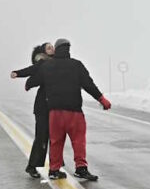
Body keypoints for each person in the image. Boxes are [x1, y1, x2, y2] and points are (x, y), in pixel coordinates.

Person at [28, 38, 111, 181]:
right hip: (74, 111)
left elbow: (32, 81)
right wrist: (102, 99)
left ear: (56, 49)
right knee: (78, 141)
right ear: (68, 49)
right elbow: (88, 84)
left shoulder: (47, 66)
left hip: (55, 113)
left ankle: (54, 170)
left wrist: (28, 84)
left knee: (56, 142)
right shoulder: (76, 65)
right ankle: (81, 168)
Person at [10, 42, 54, 178]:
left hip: (54, 105)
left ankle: (55, 168)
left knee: (55, 138)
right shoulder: (42, 63)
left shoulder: (57, 63)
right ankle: (32, 166)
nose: (52, 48)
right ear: (44, 52)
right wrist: (17, 73)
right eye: (49, 47)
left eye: (52, 46)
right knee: (41, 137)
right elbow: (30, 70)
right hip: (42, 106)